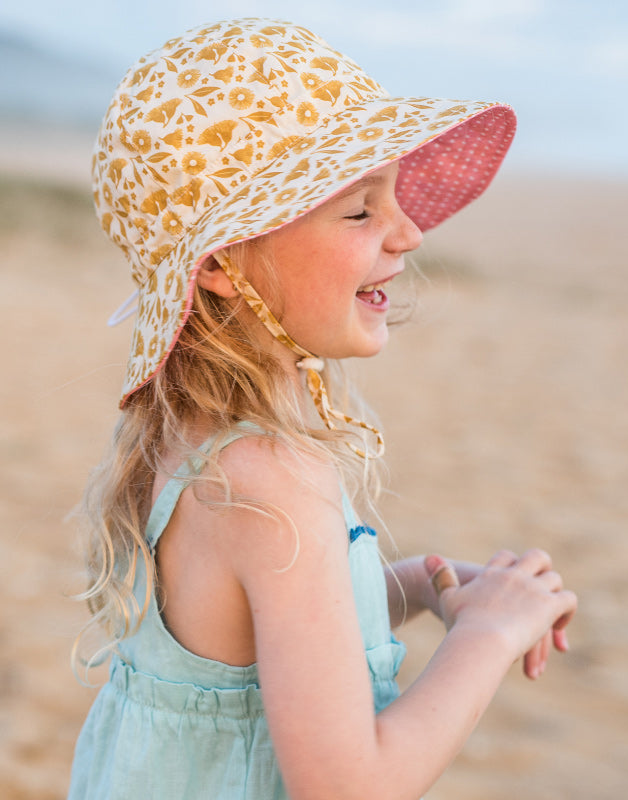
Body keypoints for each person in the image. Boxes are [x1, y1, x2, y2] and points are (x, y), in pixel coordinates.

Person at [67, 17, 577, 800]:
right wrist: (488, 632)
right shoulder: (271, 480)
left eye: (394, 197)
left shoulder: (191, 438)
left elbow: (249, 635)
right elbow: (348, 784)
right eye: (360, 210)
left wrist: (420, 586)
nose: (408, 233)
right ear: (224, 262)